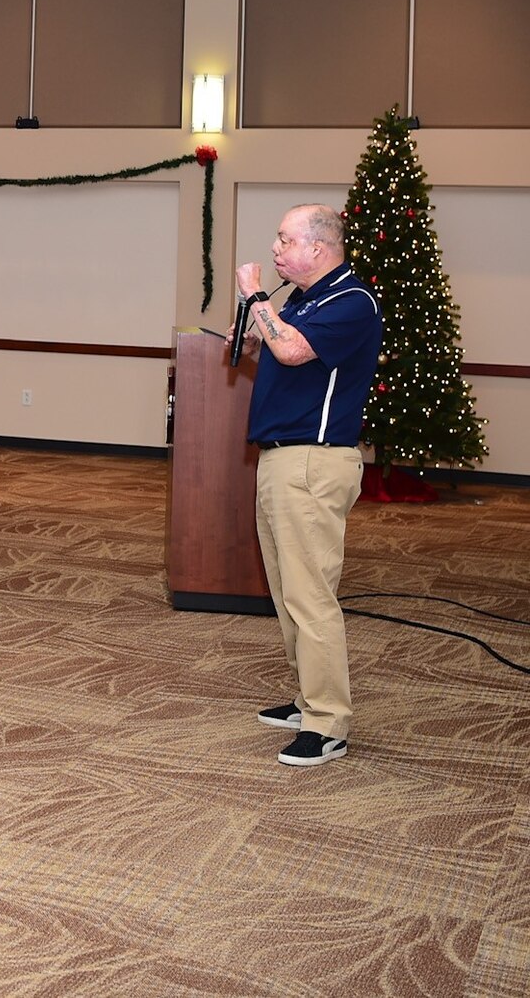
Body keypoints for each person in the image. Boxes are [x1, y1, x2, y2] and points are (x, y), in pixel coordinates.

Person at [237, 204, 383, 768]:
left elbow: (295, 350)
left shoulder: (351, 301)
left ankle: (328, 724)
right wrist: (252, 334)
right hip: (282, 460)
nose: (274, 251)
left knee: (310, 595)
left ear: (318, 249)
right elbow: (279, 354)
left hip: (313, 465)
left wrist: (256, 300)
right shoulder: (302, 299)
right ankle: (308, 699)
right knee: (286, 589)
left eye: (284, 240)